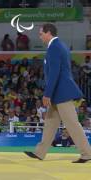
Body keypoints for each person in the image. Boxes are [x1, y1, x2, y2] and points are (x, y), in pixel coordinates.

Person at [24, 23, 91, 163]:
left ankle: (87, 153)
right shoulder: (59, 45)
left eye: (41, 33)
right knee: (50, 122)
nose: (39, 36)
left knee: (72, 123)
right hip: (59, 91)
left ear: (49, 33)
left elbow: (54, 73)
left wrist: (47, 94)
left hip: (61, 92)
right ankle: (40, 152)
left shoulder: (54, 47)